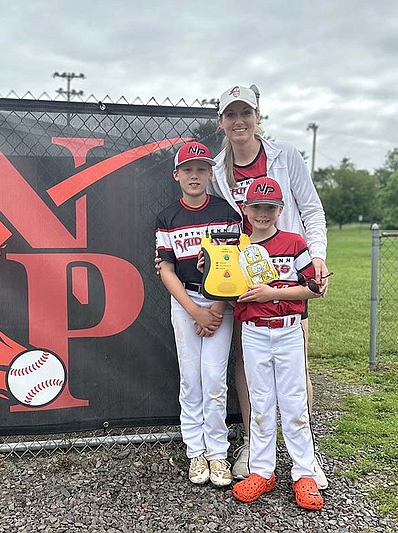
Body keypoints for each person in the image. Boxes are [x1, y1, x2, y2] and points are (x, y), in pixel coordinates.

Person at [210, 85, 329, 486]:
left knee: (298, 362)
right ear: (222, 122)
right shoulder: (215, 170)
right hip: (245, 277)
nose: (239, 120)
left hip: (289, 271)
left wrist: (317, 257)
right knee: (248, 362)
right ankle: (254, 445)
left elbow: (311, 208)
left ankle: (306, 457)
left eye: (246, 112)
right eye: (231, 114)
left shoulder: (286, 155)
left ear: (259, 115)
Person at [230, 176, 325, 511]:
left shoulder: (294, 242)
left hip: (287, 330)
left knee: (295, 403)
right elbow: (222, 284)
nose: (263, 214)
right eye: (257, 207)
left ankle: (304, 473)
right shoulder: (238, 248)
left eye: (270, 208)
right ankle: (262, 470)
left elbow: (313, 288)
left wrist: (274, 293)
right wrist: (209, 265)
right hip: (254, 331)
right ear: (246, 208)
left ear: (280, 209)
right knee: (261, 403)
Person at [155, 141, 241, 488]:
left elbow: (233, 266)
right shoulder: (167, 217)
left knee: (215, 380)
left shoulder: (225, 213)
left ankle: (218, 452)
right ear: (176, 175)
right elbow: (166, 269)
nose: (195, 175)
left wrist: (216, 309)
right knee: (191, 378)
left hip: (221, 304)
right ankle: (196, 451)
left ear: (211, 173)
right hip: (186, 301)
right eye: (188, 169)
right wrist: (194, 310)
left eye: (201, 169)